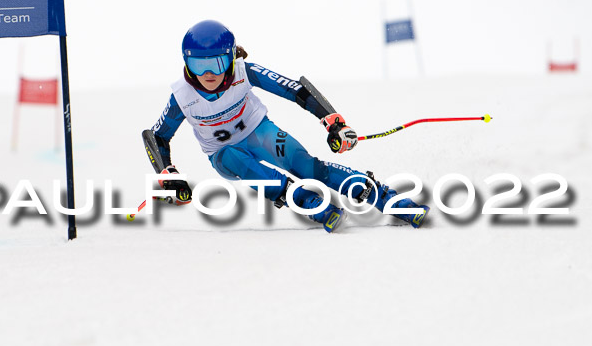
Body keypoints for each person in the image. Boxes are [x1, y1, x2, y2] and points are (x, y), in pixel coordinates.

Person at [143, 20, 429, 232]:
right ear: (186, 63)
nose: (207, 75)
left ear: (230, 57)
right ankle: (307, 202)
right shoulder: (182, 96)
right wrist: (167, 173)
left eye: (217, 64)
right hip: (222, 153)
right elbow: (157, 137)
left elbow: (294, 90)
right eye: (197, 65)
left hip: (259, 132)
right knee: (238, 160)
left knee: (307, 166)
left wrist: (333, 121)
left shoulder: (245, 72)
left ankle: (387, 198)